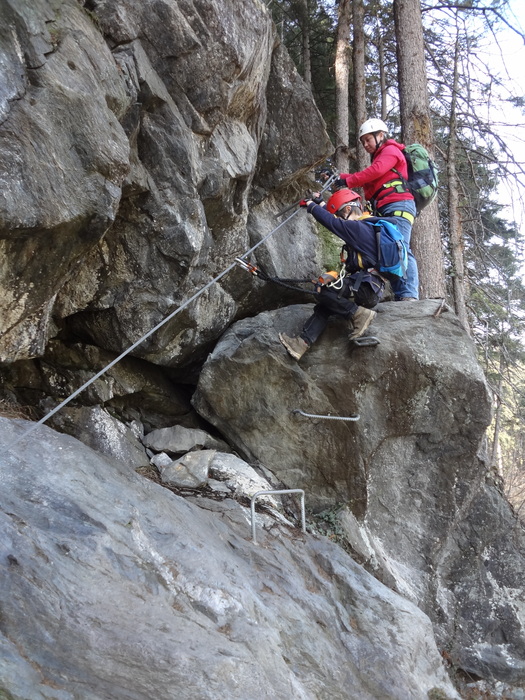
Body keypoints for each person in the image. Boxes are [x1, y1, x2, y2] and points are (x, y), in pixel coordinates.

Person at [279, 188, 385, 361]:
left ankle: (359, 314)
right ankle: (301, 343)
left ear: (348, 210)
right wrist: (321, 202)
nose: (338, 216)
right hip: (369, 287)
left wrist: (311, 206)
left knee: (322, 289)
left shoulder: (358, 227)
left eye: (340, 212)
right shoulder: (368, 226)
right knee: (326, 304)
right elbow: (336, 219)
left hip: (366, 287)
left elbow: (333, 223)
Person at [335, 118, 419, 301]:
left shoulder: (390, 150)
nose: (365, 144)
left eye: (368, 139)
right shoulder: (380, 157)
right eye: (363, 141)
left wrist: (346, 181)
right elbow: (370, 179)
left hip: (399, 204)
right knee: (391, 248)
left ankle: (409, 295)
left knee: (400, 246)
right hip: (388, 207)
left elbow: (374, 172)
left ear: (380, 135)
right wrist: (339, 177)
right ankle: (402, 294)